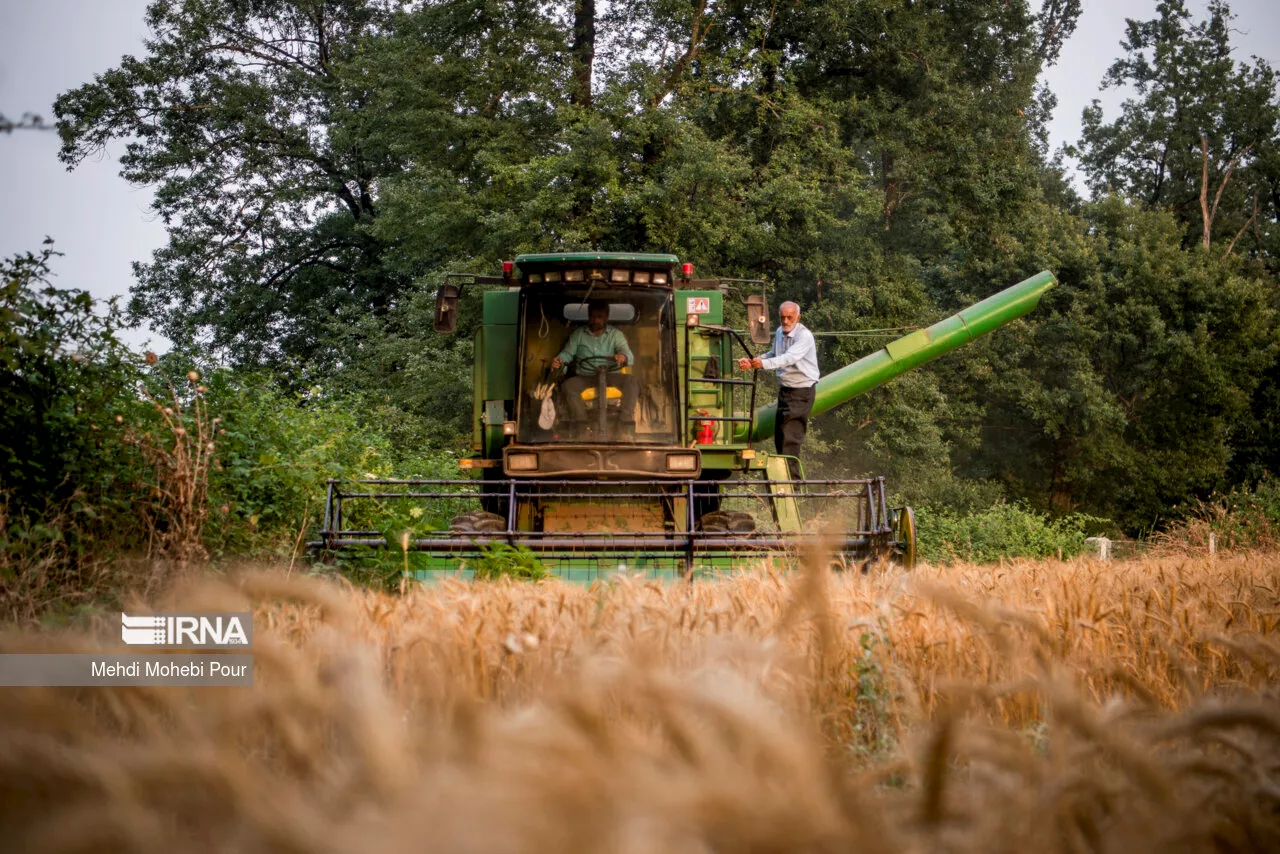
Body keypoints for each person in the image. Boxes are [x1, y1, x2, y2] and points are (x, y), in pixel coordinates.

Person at [737, 300, 819, 481]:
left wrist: (763, 364)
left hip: (802, 392)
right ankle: (783, 480)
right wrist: (753, 361)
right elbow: (774, 354)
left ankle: (793, 485)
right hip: (786, 390)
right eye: (782, 317)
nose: (786, 320)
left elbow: (789, 358)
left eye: (790, 317)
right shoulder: (781, 332)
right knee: (780, 437)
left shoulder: (804, 336)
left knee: (790, 440)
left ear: (798, 317)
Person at [552, 300, 639, 435]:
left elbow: (627, 353)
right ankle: (582, 426)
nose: (596, 320)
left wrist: (623, 357)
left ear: (606, 317)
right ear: (588, 316)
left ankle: (624, 425)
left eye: (600, 317)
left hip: (611, 375)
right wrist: (559, 361)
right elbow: (567, 353)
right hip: (586, 376)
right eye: (593, 316)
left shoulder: (615, 335)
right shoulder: (578, 335)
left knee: (632, 382)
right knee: (568, 386)